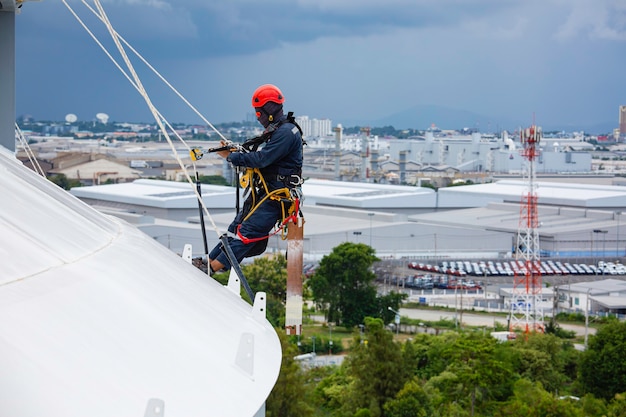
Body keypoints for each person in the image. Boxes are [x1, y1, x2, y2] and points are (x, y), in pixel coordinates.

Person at [208, 84, 304, 273]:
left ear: (268, 110)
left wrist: (231, 156)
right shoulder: (280, 129)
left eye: (258, 113)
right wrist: (235, 152)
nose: (257, 117)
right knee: (236, 227)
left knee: (246, 233)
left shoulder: (285, 132)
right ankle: (208, 260)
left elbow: (262, 159)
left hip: (277, 196)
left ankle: (211, 269)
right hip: (268, 191)